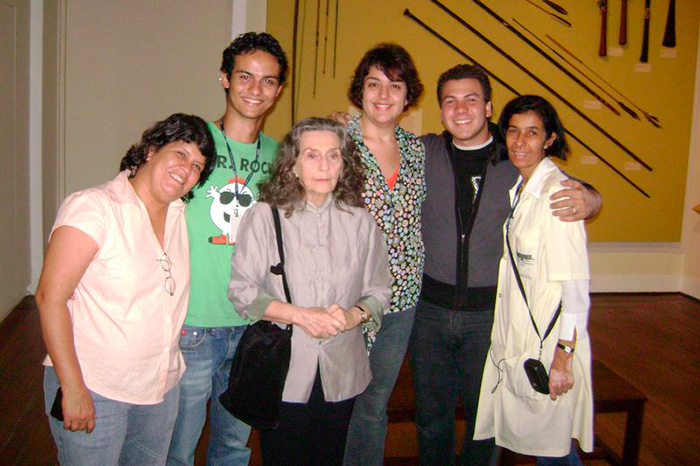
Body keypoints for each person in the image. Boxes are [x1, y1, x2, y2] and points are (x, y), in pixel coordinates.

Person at [410, 64, 602, 465]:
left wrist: (592, 197)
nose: (460, 109)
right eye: (450, 101)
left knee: (486, 421)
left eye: (471, 99)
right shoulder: (423, 152)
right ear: (440, 109)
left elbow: (559, 183)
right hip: (429, 312)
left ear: (489, 107)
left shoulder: (513, 155)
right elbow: (375, 140)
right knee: (431, 418)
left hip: (490, 316)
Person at [36, 113, 216, 466]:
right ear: (151, 150)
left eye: (197, 165)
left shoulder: (180, 216)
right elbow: (49, 298)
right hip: (95, 386)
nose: (187, 169)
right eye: (181, 153)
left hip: (160, 388)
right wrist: (72, 388)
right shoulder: (95, 207)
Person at [228, 117, 393, 465]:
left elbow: (380, 290)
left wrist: (353, 316)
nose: (324, 165)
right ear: (292, 165)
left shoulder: (361, 222)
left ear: (344, 164)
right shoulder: (264, 216)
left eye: (333, 156)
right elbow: (242, 291)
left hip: (342, 369)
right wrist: (301, 316)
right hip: (285, 367)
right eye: (312, 156)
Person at [167, 32, 287, 466]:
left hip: (253, 323)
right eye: (245, 76)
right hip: (194, 325)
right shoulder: (190, 145)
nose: (256, 90)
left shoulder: (281, 154)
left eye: (269, 81)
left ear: (278, 90)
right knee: (176, 448)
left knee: (233, 447)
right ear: (224, 78)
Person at [473, 95, 593, 464]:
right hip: (521, 337)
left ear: (550, 139)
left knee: (553, 450)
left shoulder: (557, 196)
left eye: (532, 133)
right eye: (513, 131)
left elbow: (575, 290)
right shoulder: (522, 188)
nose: (520, 142)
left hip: (548, 346)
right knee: (537, 442)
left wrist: (563, 358)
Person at [339, 43, 426, 465]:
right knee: (335, 401)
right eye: (374, 83)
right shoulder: (335, 140)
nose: (384, 94)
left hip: (401, 299)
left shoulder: (418, 150)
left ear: (408, 96)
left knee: (374, 404)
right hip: (345, 297)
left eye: (395, 85)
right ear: (361, 90)